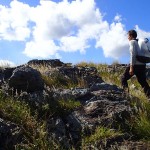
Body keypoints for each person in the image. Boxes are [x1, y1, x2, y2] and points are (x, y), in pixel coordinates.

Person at [121, 29, 150, 97]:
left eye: (128, 36)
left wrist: (131, 67)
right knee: (143, 82)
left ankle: (126, 95)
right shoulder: (139, 42)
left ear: (131, 36)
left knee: (123, 78)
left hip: (135, 65)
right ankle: (149, 96)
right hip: (142, 65)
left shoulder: (132, 42)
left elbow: (133, 54)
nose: (127, 37)